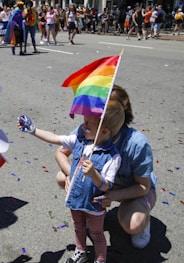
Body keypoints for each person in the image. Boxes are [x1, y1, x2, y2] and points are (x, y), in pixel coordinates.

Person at [17, 101, 125, 263]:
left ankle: (100, 259)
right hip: (75, 198)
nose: (83, 127)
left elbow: (106, 185)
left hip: (94, 205)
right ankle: (81, 251)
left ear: (104, 131)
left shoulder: (112, 157)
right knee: (78, 227)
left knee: (97, 234)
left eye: (88, 125)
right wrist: (33, 130)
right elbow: (55, 138)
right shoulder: (79, 141)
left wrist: (94, 175)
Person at [55, 85, 157, 250]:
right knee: (61, 177)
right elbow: (60, 153)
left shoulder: (137, 143)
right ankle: (91, 214)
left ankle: (143, 221)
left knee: (133, 224)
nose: (87, 122)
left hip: (131, 189)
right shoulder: (89, 127)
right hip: (100, 184)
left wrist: (112, 195)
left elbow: (143, 186)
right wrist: (71, 177)